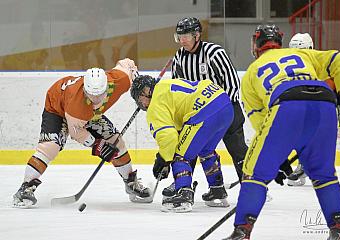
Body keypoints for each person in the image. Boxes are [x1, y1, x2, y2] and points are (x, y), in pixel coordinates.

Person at [224, 24, 340, 240]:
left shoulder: (250, 74)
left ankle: (242, 231)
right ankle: (339, 231)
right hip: (324, 105)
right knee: (324, 175)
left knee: (254, 173)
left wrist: (278, 157)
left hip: (286, 104)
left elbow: (262, 123)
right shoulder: (302, 54)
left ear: (256, 45)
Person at [13, 59, 152, 208]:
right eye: (91, 95)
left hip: (88, 115)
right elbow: (77, 132)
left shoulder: (119, 81)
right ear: (85, 90)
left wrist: (140, 85)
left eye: (99, 95)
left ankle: (131, 182)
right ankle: (25, 187)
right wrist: (98, 145)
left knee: (115, 141)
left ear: (107, 87)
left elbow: (127, 64)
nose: (96, 99)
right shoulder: (76, 104)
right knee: (51, 146)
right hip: (57, 108)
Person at [163, 17, 248, 204]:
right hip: (198, 113)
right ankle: (182, 184)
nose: (182, 40)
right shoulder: (179, 57)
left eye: (185, 36)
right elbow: (177, 87)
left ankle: (252, 185)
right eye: (179, 36)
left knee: (238, 150)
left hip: (226, 107)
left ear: (197, 35)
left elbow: (232, 81)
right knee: (188, 145)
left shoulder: (214, 53)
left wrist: (228, 107)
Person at [130, 75, 234, 212]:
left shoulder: (154, 105)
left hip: (204, 113)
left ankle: (184, 194)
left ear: (144, 93)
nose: (140, 103)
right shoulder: (166, 85)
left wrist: (162, 160)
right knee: (205, 151)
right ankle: (217, 190)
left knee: (180, 155)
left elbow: (169, 138)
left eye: (138, 98)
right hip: (224, 105)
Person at [287, 33, 340, 187]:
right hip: (316, 102)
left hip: (338, 100)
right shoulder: (291, 66)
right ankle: (305, 164)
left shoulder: (323, 61)